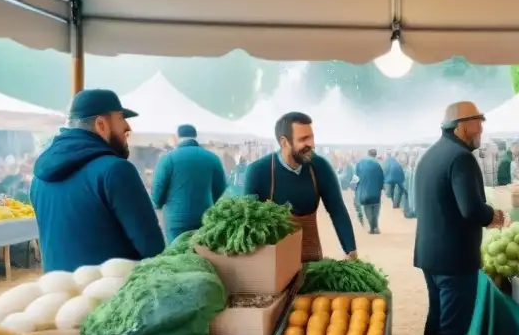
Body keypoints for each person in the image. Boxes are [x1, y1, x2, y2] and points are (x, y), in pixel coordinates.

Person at [414, 101, 503, 335]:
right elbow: (471, 210)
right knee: (451, 328)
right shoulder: (462, 158)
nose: (481, 128)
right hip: (454, 258)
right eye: (478, 121)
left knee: (436, 320)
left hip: (430, 254)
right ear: (460, 124)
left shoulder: (432, 154)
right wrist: (495, 216)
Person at [30, 90, 165, 272]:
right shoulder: (115, 170)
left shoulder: (39, 175)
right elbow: (152, 248)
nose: (128, 127)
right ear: (101, 124)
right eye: (121, 118)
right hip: (112, 294)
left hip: (60, 293)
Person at [244, 112, 356, 262]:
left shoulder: (320, 167)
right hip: (273, 261)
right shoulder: (258, 171)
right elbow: (247, 221)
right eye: (304, 139)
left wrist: (351, 251)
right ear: (284, 142)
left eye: (311, 137)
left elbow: (337, 211)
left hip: (311, 256)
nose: (312, 144)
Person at [150, 125, 227, 243]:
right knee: (201, 256)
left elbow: (157, 192)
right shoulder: (213, 158)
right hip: (204, 219)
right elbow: (221, 187)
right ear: (195, 136)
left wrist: (158, 204)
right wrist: (209, 201)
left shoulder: (168, 159)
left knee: (177, 257)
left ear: (177, 137)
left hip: (176, 222)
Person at [353, 149, 386, 234]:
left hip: (364, 192)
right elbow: (382, 178)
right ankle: (375, 227)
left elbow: (356, 178)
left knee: (367, 210)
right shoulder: (378, 165)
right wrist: (381, 187)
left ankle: (372, 228)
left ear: (368, 154)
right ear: (375, 155)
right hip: (376, 192)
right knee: (376, 210)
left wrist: (355, 187)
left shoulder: (360, 164)